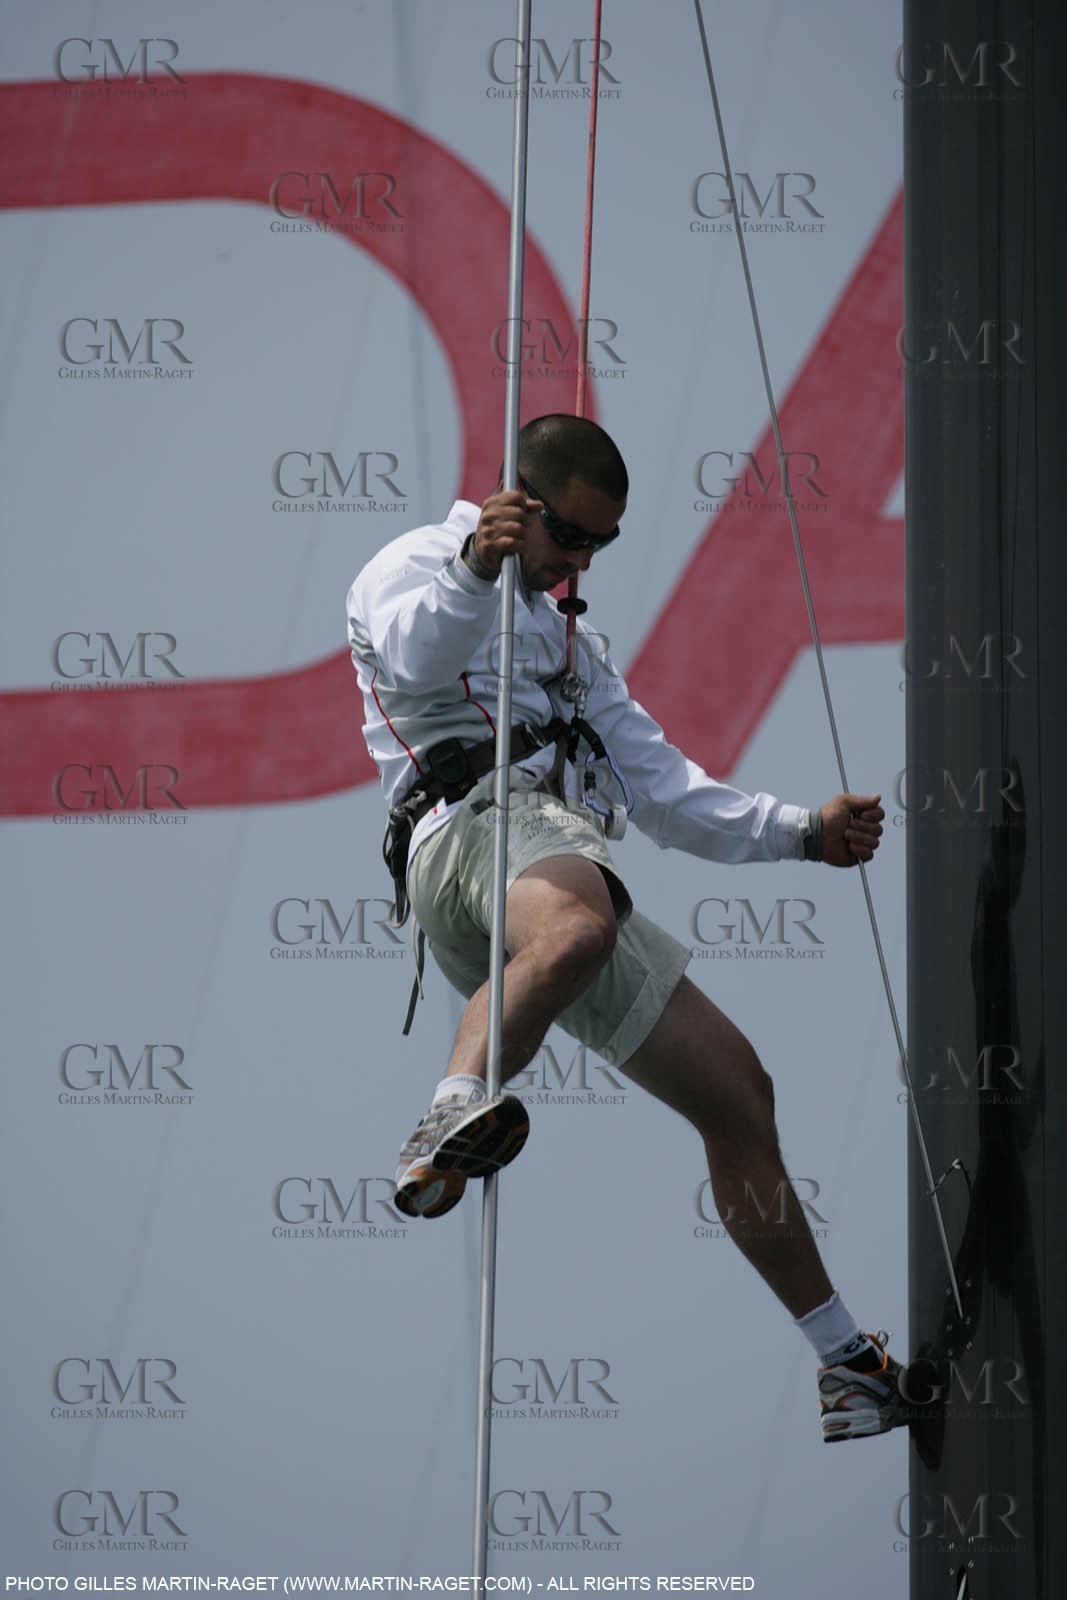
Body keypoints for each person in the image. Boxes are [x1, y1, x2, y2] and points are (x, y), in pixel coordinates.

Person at [345, 413, 905, 1443]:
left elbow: (660, 788)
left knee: (738, 1093)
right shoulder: (419, 563)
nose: (577, 560)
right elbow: (418, 662)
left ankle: (845, 1366)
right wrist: (479, 565)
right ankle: (447, 1110)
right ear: (519, 500)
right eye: (565, 534)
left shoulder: (571, 641)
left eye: (598, 544)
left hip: (548, 870)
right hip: (471, 836)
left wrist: (799, 832)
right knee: (575, 930)